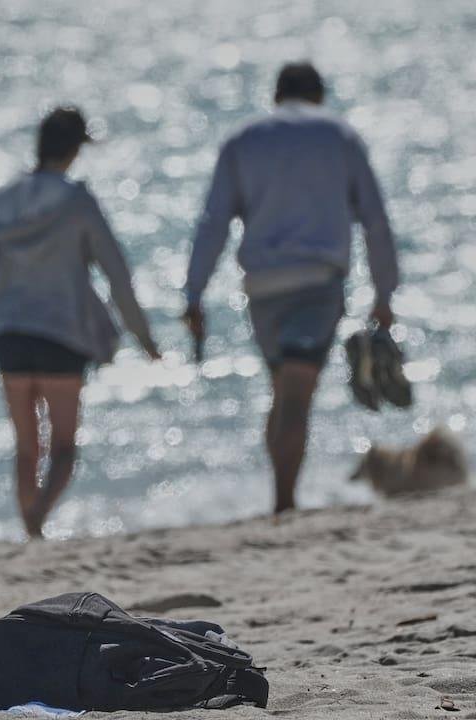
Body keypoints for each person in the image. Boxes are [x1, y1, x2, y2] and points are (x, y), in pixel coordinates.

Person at [182, 62, 399, 514]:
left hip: (261, 288)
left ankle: (280, 495)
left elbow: (213, 223)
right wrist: (384, 294)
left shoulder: (242, 140)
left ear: (276, 95)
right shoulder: (339, 135)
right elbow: (375, 221)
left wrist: (194, 294)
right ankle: (284, 502)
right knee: (297, 395)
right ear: (319, 95)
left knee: (282, 389)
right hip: (317, 282)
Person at [0, 107, 161, 538]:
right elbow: (116, 274)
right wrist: (143, 337)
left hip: (8, 333)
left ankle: (30, 530)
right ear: (75, 150)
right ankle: (37, 521)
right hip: (62, 333)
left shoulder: (2, 200)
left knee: (26, 448)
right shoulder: (77, 202)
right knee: (63, 448)